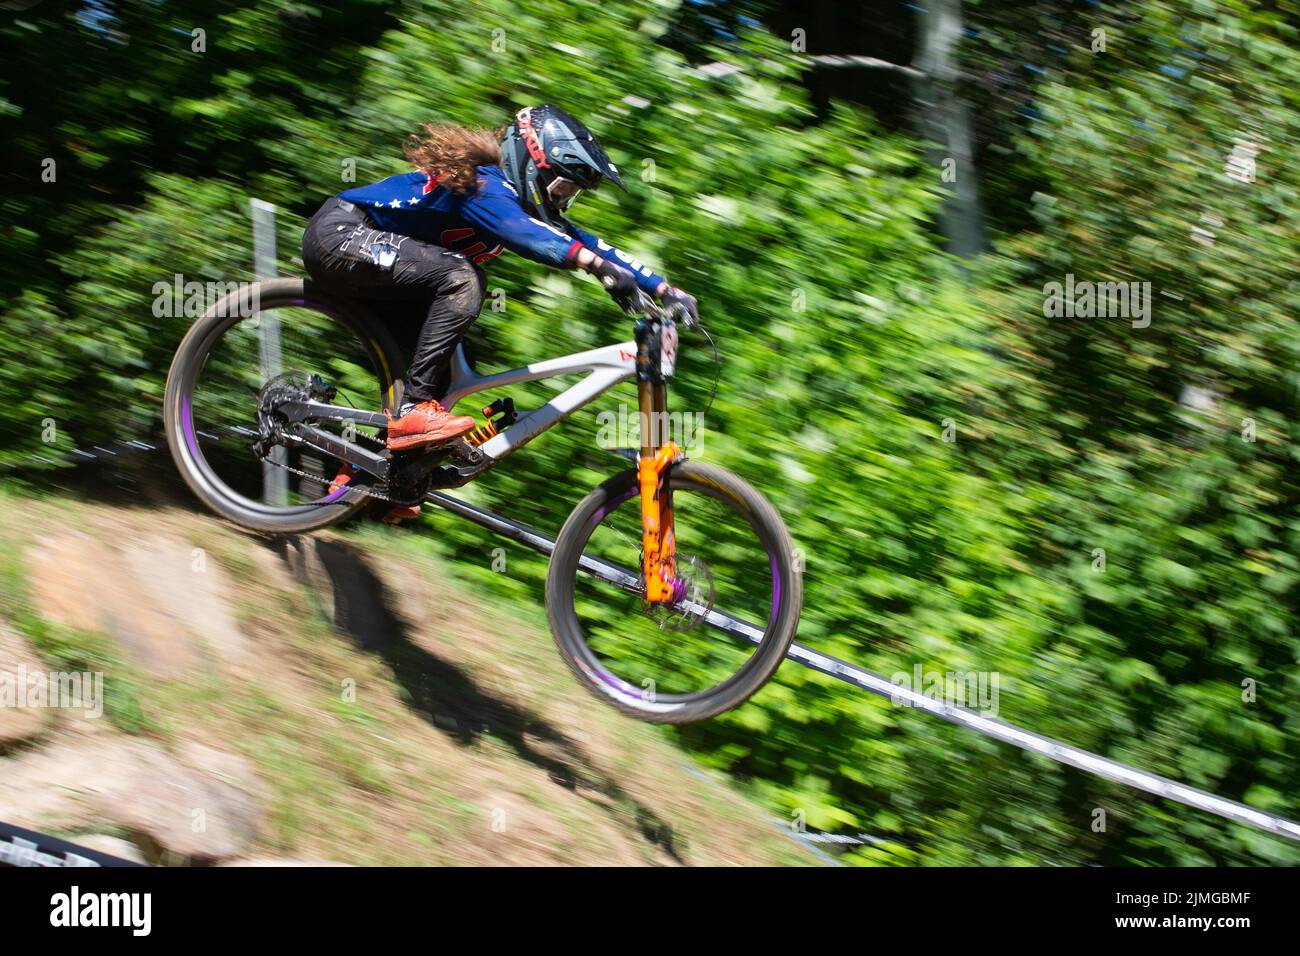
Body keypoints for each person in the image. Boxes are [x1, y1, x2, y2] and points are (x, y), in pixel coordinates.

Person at [301, 104, 698, 451]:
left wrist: (666, 289)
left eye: (571, 194)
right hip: (341, 236)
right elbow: (526, 237)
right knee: (463, 278)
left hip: (388, 270)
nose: (561, 200)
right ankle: (410, 413)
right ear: (532, 161)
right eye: (561, 186)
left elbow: (595, 244)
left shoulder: (514, 200)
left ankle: (371, 479)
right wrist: (596, 268)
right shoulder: (485, 185)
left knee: (446, 370)